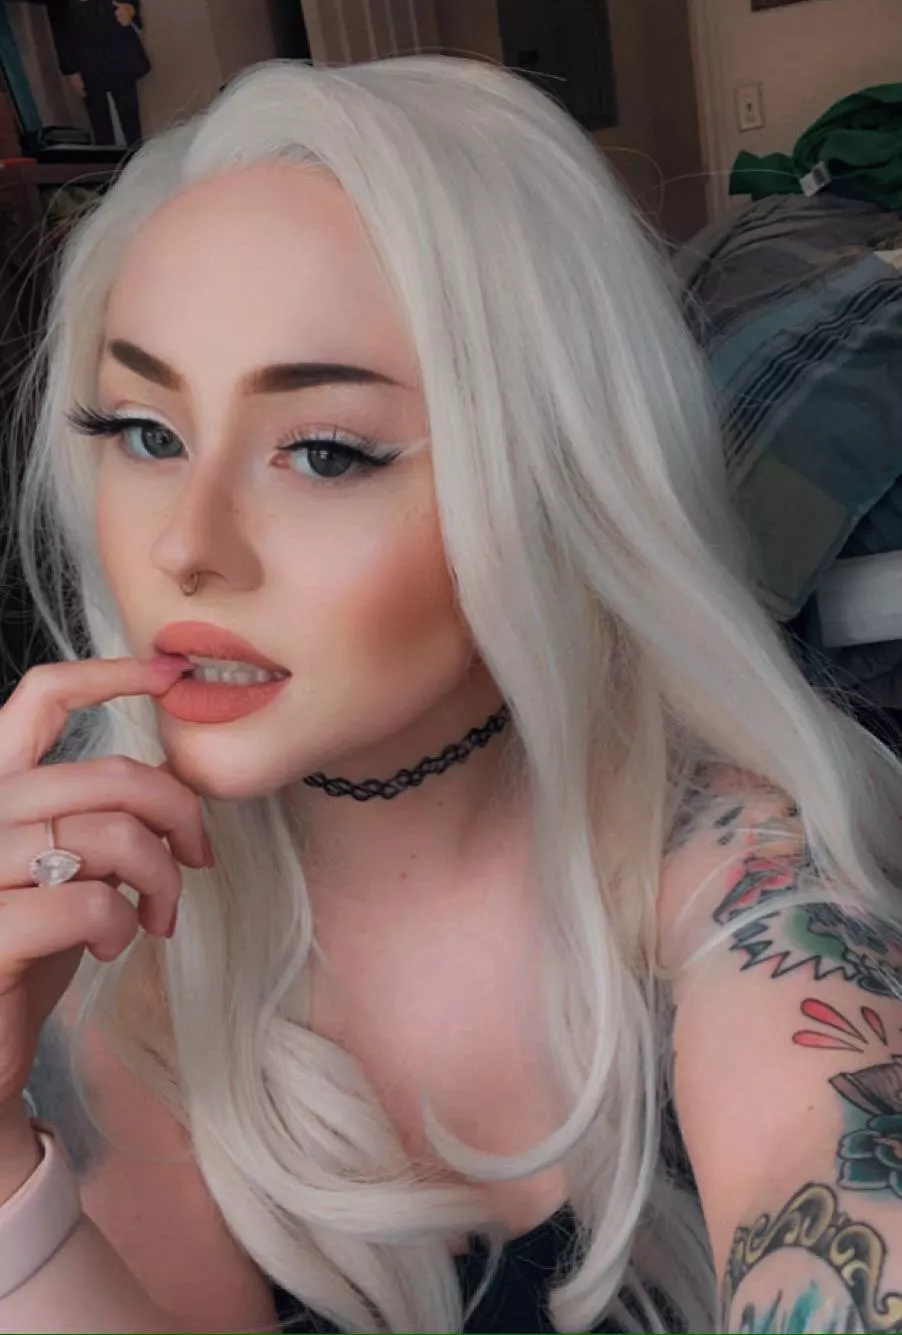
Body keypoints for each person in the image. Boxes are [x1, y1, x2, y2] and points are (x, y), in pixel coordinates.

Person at [0, 55, 901, 1335]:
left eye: (324, 452)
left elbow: (828, 1161)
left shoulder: (743, 877)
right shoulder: (117, 941)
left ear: (551, 487)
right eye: (147, 434)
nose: (185, 546)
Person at [45, 0, 150, 147]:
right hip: (85, 60)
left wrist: (130, 9)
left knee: (130, 118)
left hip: (119, 53)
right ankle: (107, 157)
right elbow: (59, 32)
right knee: (99, 122)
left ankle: (136, 154)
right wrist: (70, 70)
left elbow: (131, 6)